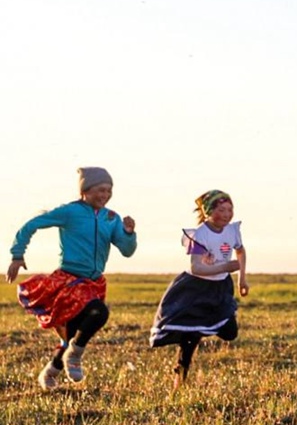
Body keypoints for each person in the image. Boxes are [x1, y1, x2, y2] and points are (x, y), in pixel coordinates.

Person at [6, 167, 137, 389]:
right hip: (70, 280)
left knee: (73, 332)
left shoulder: (111, 218)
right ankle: (74, 356)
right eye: (100, 190)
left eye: (108, 190)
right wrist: (17, 255)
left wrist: (128, 233)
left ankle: (51, 372)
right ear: (85, 190)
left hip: (94, 282)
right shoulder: (70, 212)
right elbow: (31, 225)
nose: (105, 195)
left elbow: (127, 251)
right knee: (99, 312)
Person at [149, 190, 248, 388]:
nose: (227, 214)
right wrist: (224, 267)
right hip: (196, 289)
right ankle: (181, 372)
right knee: (192, 333)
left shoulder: (232, 230)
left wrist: (241, 279)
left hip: (220, 287)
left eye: (230, 209)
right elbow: (197, 268)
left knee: (230, 332)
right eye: (222, 210)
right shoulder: (200, 234)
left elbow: (240, 250)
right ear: (210, 211)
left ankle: (192, 341)